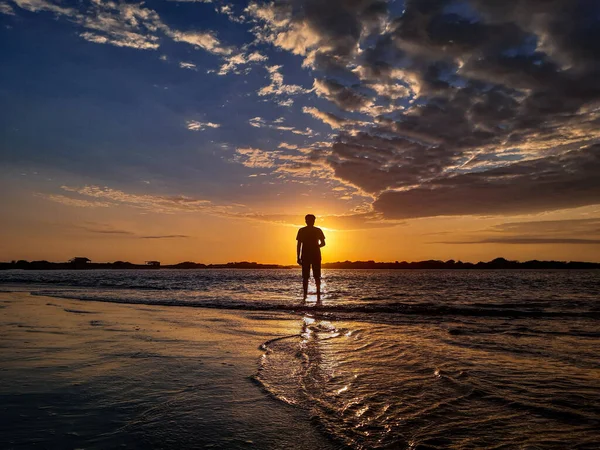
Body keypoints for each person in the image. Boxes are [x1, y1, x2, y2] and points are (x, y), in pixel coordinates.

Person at [296, 214, 326, 302]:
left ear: (313, 221)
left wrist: (316, 247)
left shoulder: (317, 230)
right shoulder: (302, 230)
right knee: (306, 277)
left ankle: (317, 296)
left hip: (314, 255)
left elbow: (323, 243)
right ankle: (307, 296)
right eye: (308, 220)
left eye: (310, 220)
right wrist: (298, 257)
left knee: (316, 277)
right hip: (306, 255)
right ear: (305, 221)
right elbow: (299, 245)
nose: (309, 221)